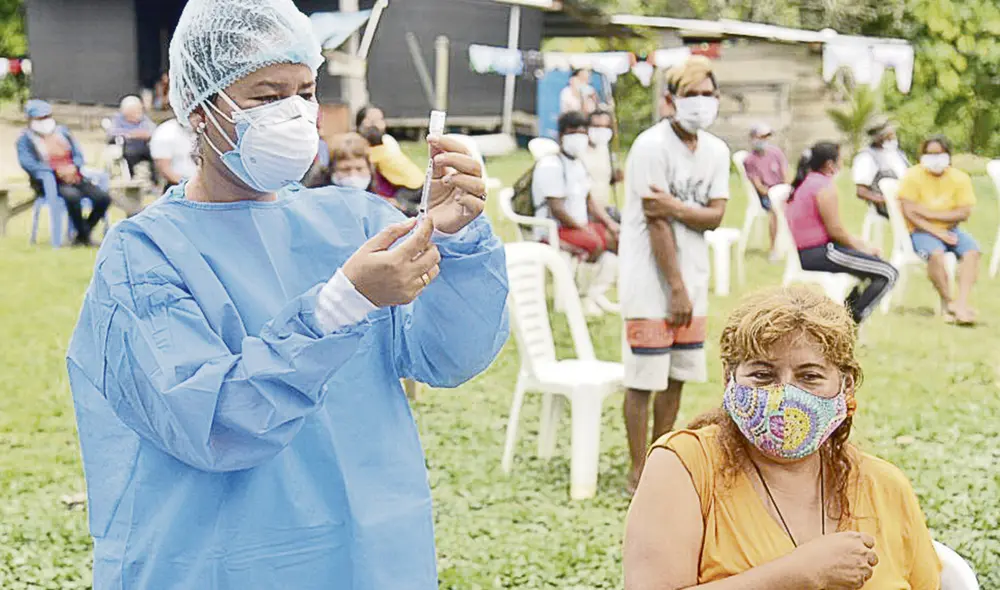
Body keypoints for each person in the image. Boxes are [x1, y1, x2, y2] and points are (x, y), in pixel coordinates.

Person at [66, 1, 507, 588]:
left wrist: (453, 236)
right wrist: (341, 306)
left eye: (305, 90)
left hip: (366, 551)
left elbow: (449, 356)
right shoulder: (144, 254)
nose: (296, 113)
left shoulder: (354, 219)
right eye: (266, 95)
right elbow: (209, 423)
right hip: (217, 558)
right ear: (200, 109)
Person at [624, 286, 941, 589]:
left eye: (810, 376)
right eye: (763, 374)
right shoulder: (685, 468)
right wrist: (799, 574)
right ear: (728, 377)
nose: (786, 394)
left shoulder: (883, 486)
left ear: (845, 386)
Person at [619, 56, 730, 493]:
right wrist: (676, 288)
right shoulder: (650, 147)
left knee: (677, 375)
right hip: (651, 280)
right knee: (643, 378)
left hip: (694, 278)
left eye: (708, 94)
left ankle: (660, 458)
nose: (701, 103)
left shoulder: (717, 152)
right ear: (670, 100)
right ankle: (636, 469)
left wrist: (677, 207)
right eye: (691, 94)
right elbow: (655, 219)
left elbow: (717, 216)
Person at [785, 142, 898, 324]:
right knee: (888, 272)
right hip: (821, 252)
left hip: (813, 251)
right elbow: (835, 231)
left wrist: (861, 247)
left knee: (869, 271)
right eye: (840, 159)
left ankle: (848, 312)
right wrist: (864, 249)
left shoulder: (807, 182)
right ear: (830, 164)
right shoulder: (823, 186)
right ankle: (851, 322)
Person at [532, 109, 620, 315]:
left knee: (618, 239)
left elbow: (590, 202)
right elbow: (557, 209)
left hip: (579, 226)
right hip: (555, 230)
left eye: (583, 132)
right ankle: (577, 296)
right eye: (573, 133)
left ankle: (594, 293)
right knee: (595, 244)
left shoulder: (578, 163)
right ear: (562, 135)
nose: (579, 138)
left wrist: (610, 223)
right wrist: (584, 229)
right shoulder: (551, 164)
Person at [898, 135, 980, 324]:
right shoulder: (912, 176)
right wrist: (936, 230)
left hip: (952, 230)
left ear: (948, 155)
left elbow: (964, 212)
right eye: (930, 154)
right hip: (921, 231)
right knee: (936, 254)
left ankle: (961, 303)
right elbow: (909, 213)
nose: (935, 158)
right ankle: (948, 301)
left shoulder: (960, 178)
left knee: (972, 252)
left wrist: (926, 213)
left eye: (939, 154)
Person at [16, 99, 112, 246]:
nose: (45, 121)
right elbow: (29, 164)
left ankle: (82, 234)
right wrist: (56, 171)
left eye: (47, 117)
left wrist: (74, 167)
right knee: (73, 197)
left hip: (75, 177)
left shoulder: (63, 133)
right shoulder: (25, 140)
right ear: (30, 119)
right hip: (49, 182)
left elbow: (78, 155)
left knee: (103, 198)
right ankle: (84, 237)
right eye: (40, 118)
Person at [743, 122, 789, 258]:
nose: (763, 141)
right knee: (775, 211)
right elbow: (760, 187)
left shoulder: (776, 153)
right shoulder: (750, 160)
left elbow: (785, 175)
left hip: (781, 191)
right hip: (766, 196)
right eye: (760, 137)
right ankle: (773, 249)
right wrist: (773, 194)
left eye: (766, 137)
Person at [852, 118, 909, 218]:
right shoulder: (866, 157)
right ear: (878, 137)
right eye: (889, 135)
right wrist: (888, 200)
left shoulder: (897, 153)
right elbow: (861, 192)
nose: (893, 138)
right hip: (889, 207)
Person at [581, 109, 623, 218]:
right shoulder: (580, 150)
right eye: (596, 126)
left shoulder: (605, 149)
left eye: (606, 126)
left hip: (603, 209)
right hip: (584, 211)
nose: (601, 130)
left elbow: (601, 177)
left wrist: (614, 177)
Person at [106, 95, 158, 178]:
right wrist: (130, 134)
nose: (138, 113)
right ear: (125, 112)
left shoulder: (143, 119)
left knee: (157, 153)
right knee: (129, 154)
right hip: (127, 147)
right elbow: (111, 133)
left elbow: (154, 130)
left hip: (144, 146)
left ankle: (155, 181)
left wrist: (146, 134)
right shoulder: (118, 119)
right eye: (134, 111)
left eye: (139, 110)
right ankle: (131, 179)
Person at [149, 117, 197, 189]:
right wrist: (188, 186)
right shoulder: (166, 132)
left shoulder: (201, 129)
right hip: (179, 187)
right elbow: (164, 169)